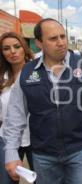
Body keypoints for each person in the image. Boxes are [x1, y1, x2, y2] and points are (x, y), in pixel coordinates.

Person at [4, 18, 82, 184]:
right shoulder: (27, 73)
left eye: (63, 36)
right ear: (39, 43)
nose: (61, 42)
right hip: (43, 154)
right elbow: (15, 116)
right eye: (53, 38)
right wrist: (11, 152)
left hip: (80, 150)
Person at [0, 32, 35, 184]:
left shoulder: (37, 74)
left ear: (24, 49)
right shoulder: (1, 78)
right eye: (6, 48)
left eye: (16, 47)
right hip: (7, 138)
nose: (12, 52)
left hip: (37, 138)